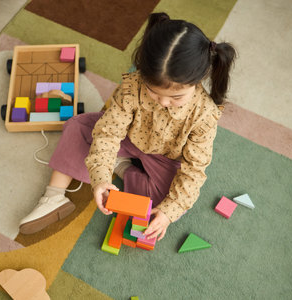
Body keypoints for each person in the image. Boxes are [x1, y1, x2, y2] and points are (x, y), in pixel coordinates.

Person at [19, 12, 236, 241]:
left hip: (165, 158)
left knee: (166, 205)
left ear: (199, 80)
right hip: (127, 139)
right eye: (154, 92)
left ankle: (121, 167)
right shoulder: (133, 86)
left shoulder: (204, 114)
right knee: (77, 127)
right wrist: (101, 179)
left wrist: (168, 213)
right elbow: (108, 132)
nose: (163, 102)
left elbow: (194, 170)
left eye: (176, 97)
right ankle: (53, 195)